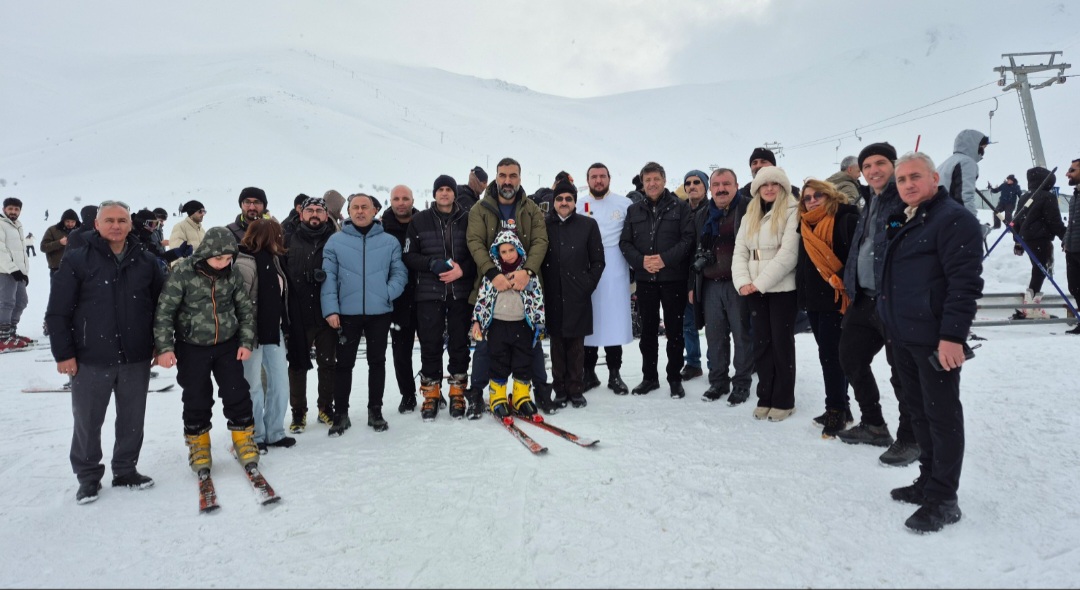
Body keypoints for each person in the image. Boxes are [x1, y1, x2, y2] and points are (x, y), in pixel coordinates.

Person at [879, 151, 983, 533]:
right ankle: (927, 480)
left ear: (934, 179)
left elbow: (964, 285)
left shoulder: (953, 220)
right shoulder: (909, 218)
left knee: (942, 417)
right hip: (903, 336)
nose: (907, 184)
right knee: (918, 412)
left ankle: (944, 498)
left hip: (935, 341)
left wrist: (953, 337)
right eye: (902, 179)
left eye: (915, 177)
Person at [45, 200, 165, 504]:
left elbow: (162, 306)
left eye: (122, 220)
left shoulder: (145, 261)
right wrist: (63, 354)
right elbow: (58, 312)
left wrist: (160, 344)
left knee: (132, 418)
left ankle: (125, 469)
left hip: (135, 355)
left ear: (129, 224)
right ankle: (88, 477)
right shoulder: (77, 260)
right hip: (90, 356)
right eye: (109, 220)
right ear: (97, 225)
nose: (116, 225)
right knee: (87, 420)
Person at [835, 142, 919, 467]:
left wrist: (897, 222)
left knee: (903, 373)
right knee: (850, 357)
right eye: (867, 165)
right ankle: (873, 424)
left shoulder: (905, 199)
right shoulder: (869, 200)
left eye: (880, 163)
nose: (873, 170)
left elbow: (897, 234)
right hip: (864, 299)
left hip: (893, 300)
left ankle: (912, 438)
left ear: (894, 165)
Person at [153, 227, 260, 478]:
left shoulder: (231, 274)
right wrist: (165, 347)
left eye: (228, 258)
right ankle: (199, 445)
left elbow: (244, 309)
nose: (223, 264)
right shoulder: (183, 272)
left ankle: (243, 439)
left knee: (237, 393)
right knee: (196, 397)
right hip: (191, 347)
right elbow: (165, 311)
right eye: (218, 258)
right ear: (205, 254)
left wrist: (245, 342)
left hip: (227, 345)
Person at [465, 157, 549, 419]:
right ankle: (478, 394)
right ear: (495, 178)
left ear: (520, 179)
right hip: (491, 289)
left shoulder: (531, 209)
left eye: (513, 176)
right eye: (503, 175)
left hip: (525, 286)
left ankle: (538, 392)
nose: (507, 181)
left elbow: (540, 241)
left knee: (530, 346)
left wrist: (528, 271)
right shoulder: (480, 209)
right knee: (485, 348)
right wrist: (492, 273)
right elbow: (475, 241)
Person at [320, 193, 407, 436]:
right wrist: (331, 309)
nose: (360, 211)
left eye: (364, 207)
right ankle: (341, 414)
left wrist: (386, 294)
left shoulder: (389, 242)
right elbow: (328, 279)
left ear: (374, 211)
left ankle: (375, 411)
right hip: (346, 314)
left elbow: (399, 274)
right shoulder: (335, 242)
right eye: (355, 207)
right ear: (348, 211)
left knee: (377, 362)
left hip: (379, 312)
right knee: (344, 364)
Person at [402, 176, 476, 420]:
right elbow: (409, 256)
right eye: (440, 190)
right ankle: (431, 393)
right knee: (430, 344)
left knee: (459, 344)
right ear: (434, 194)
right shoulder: (419, 220)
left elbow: (478, 252)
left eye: (448, 189)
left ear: (455, 193)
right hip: (429, 293)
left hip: (460, 292)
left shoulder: (468, 218)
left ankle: (457, 392)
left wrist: (462, 269)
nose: (444, 194)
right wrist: (431, 263)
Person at [620, 161, 695, 398]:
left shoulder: (680, 207)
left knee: (675, 331)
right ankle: (649, 378)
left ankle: (674, 378)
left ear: (664, 180)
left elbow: (687, 240)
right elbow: (625, 243)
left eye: (656, 179)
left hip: (673, 279)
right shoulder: (634, 211)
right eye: (647, 180)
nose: (652, 184)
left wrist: (664, 259)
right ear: (642, 184)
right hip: (645, 280)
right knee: (648, 332)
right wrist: (641, 261)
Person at [731, 166, 800, 421]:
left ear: (783, 187)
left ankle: (784, 399)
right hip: (753, 289)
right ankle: (765, 396)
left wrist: (758, 283)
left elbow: (788, 254)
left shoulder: (793, 211)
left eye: (775, 184)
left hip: (781, 288)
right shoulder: (751, 214)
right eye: (764, 185)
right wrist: (743, 282)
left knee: (781, 344)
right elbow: (740, 251)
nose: (769, 188)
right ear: (757, 189)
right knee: (761, 344)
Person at [795, 179, 859, 436]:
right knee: (829, 354)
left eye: (817, 195)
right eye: (807, 198)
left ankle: (836, 411)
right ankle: (842, 406)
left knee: (832, 357)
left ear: (830, 195)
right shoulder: (805, 224)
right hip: (814, 300)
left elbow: (855, 257)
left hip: (836, 298)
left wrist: (843, 277)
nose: (812, 201)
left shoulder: (845, 218)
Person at [690, 168, 753, 406]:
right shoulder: (703, 214)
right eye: (716, 184)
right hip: (709, 284)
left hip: (739, 283)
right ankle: (718, 381)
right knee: (715, 335)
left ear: (736, 185)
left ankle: (742, 383)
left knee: (741, 335)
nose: (721, 188)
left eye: (726, 183)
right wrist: (691, 285)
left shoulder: (747, 208)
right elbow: (693, 251)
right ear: (710, 188)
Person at [541, 178, 604, 409]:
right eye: (560, 198)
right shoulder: (544, 226)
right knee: (557, 344)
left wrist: (586, 285)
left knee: (577, 346)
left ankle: (576, 389)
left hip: (579, 294)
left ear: (575, 202)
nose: (564, 202)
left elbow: (598, 261)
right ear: (554, 202)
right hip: (553, 293)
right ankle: (559, 389)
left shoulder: (588, 225)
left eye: (568, 198)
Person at [470, 230, 545, 419]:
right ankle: (498, 396)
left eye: (511, 250)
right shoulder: (492, 277)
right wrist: (477, 321)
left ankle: (521, 395)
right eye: (503, 252)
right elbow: (482, 300)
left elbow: (538, 298)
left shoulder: (527, 275)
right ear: (497, 254)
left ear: (518, 250)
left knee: (523, 360)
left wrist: (539, 322)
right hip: (498, 326)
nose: (508, 255)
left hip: (522, 325)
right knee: (499, 361)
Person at [235, 219, 295, 453]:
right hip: (251, 333)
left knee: (280, 383)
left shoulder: (274, 259)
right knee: (252, 386)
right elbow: (240, 302)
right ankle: (255, 434)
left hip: (274, 330)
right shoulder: (245, 262)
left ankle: (275, 431)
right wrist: (245, 333)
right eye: (278, 234)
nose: (281, 238)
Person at [577, 163, 632, 395]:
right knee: (589, 319)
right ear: (587, 179)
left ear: (609, 178)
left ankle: (614, 373)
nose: (598, 180)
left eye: (602, 176)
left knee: (613, 321)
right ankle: (588, 373)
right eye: (593, 177)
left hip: (616, 267)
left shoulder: (624, 204)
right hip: (586, 264)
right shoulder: (578, 204)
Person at [283, 196, 337, 432]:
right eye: (310, 210)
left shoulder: (336, 240)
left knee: (328, 364)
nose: (314, 214)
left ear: (326, 215)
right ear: (301, 213)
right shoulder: (287, 239)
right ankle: (298, 413)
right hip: (298, 313)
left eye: (319, 211)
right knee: (297, 365)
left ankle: (326, 408)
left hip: (327, 313)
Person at [382, 185, 422, 414]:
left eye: (405, 198)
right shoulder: (382, 228)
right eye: (396, 198)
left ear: (412, 200)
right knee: (401, 351)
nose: (401, 202)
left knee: (430, 348)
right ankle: (407, 394)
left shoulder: (422, 223)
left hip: (424, 294)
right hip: (396, 299)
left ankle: (431, 390)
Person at [1014, 166, 1066, 319]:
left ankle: (1031, 305)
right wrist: (1065, 237)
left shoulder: (1025, 196)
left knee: (1038, 270)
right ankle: (1031, 307)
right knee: (1040, 271)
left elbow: (1016, 220)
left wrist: (1017, 241)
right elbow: (1054, 221)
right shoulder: (1047, 197)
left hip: (1026, 239)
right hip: (1040, 238)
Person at [679, 169, 710, 382]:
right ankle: (692, 362)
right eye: (688, 183)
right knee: (688, 323)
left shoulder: (713, 209)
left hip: (709, 275)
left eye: (697, 182)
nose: (692, 186)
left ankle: (718, 364)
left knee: (717, 326)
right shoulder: (681, 212)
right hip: (684, 275)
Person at [937, 129, 990, 229]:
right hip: (952, 220)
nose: (983, 151)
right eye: (983, 147)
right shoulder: (966, 162)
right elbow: (964, 197)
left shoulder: (948, 162)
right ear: (975, 146)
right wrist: (973, 226)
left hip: (940, 217)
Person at [0, 197, 31, 350]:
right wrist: (13, 270)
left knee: (21, 302)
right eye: (10, 209)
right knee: (6, 303)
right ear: (4, 209)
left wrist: (24, 272)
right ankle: (2, 337)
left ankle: (10, 333)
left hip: (17, 272)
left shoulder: (17, 225)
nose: (13, 212)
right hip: (4, 271)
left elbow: (21, 252)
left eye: (16, 209)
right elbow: (1, 251)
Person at [1064, 159, 1080, 334]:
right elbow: (1072, 224)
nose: (1067, 173)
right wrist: (1066, 241)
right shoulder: (1074, 196)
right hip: (1073, 249)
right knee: (1075, 287)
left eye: (1072, 170)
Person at [40, 209, 80, 275]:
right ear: (63, 221)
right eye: (67, 221)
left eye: (73, 222)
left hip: (77, 270)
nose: (70, 224)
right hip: (57, 270)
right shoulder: (52, 230)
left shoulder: (80, 231)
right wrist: (59, 243)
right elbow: (43, 247)